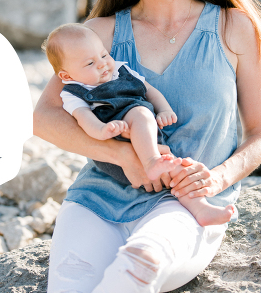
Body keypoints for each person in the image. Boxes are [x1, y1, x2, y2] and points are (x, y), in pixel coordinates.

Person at [33, 0, 261, 293]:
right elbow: (43, 117)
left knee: (141, 263)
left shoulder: (232, 26)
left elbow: (260, 135)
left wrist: (216, 177)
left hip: (187, 205)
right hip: (97, 201)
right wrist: (121, 155)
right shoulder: (99, 34)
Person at [43, 23, 235, 226]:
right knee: (141, 114)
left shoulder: (120, 69)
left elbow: (149, 90)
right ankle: (151, 162)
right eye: (90, 63)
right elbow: (84, 119)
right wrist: (102, 131)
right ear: (66, 75)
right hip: (115, 153)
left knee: (178, 170)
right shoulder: (73, 93)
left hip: (148, 140)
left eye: (103, 55)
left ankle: (201, 209)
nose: (102, 64)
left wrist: (164, 110)